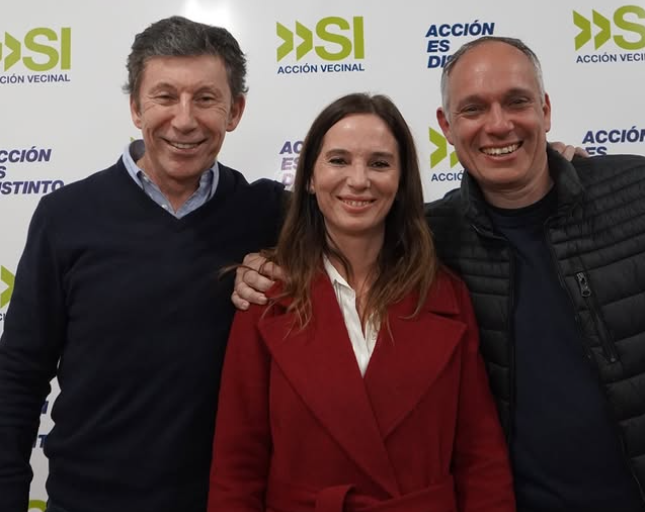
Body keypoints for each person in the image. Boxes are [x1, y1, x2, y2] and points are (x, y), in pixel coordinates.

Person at [233, 37, 645, 511]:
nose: (498, 124)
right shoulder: (436, 238)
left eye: (516, 102)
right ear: (446, 126)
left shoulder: (632, 192)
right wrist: (263, 268)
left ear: (545, 110)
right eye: (473, 109)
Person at [0, 16, 285, 512]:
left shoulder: (268, 214)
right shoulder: (66, 217)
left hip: (223, 503)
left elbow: (377, 241)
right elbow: (18, 376)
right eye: (164, 96)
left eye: (205, 98)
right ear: (135, 107)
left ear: (235, 111)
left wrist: (287, 266)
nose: (184, 120)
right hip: (86, 502)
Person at [208, 93, 515, 512]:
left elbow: (480, 459)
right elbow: (237, 468)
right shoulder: (266, 297)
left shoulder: (446, 295)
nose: (358, 180)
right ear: (310, 178)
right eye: (338, 160)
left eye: (379, 163)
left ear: (401, 181)